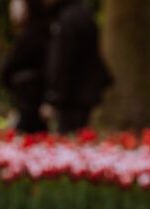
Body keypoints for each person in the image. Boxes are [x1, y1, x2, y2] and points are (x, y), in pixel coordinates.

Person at [40, 0, 112, 133]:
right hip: (81, 92)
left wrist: (53, 97)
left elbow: (63, 61)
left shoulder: (68, 17)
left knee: (70, 136)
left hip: (72, 95)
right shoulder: (81, 11)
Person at [2, 0, 49, 133]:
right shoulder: (33, 31)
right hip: (27, 100)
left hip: (32, 102)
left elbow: (10, 67)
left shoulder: (34, 33)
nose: (11, 7)